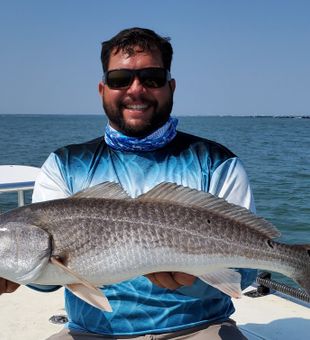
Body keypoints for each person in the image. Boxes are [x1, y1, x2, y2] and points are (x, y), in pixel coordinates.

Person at [0, 27, 256, 339]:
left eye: (152, 78)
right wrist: (14, 274)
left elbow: (244, 273)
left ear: (171, 86)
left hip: (200, 327)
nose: (136, 90)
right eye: (120, 80)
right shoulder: (64, 164)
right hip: (93, 332)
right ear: (101, 89)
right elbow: (47, 278)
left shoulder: (216, 161)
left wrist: (197, 281)